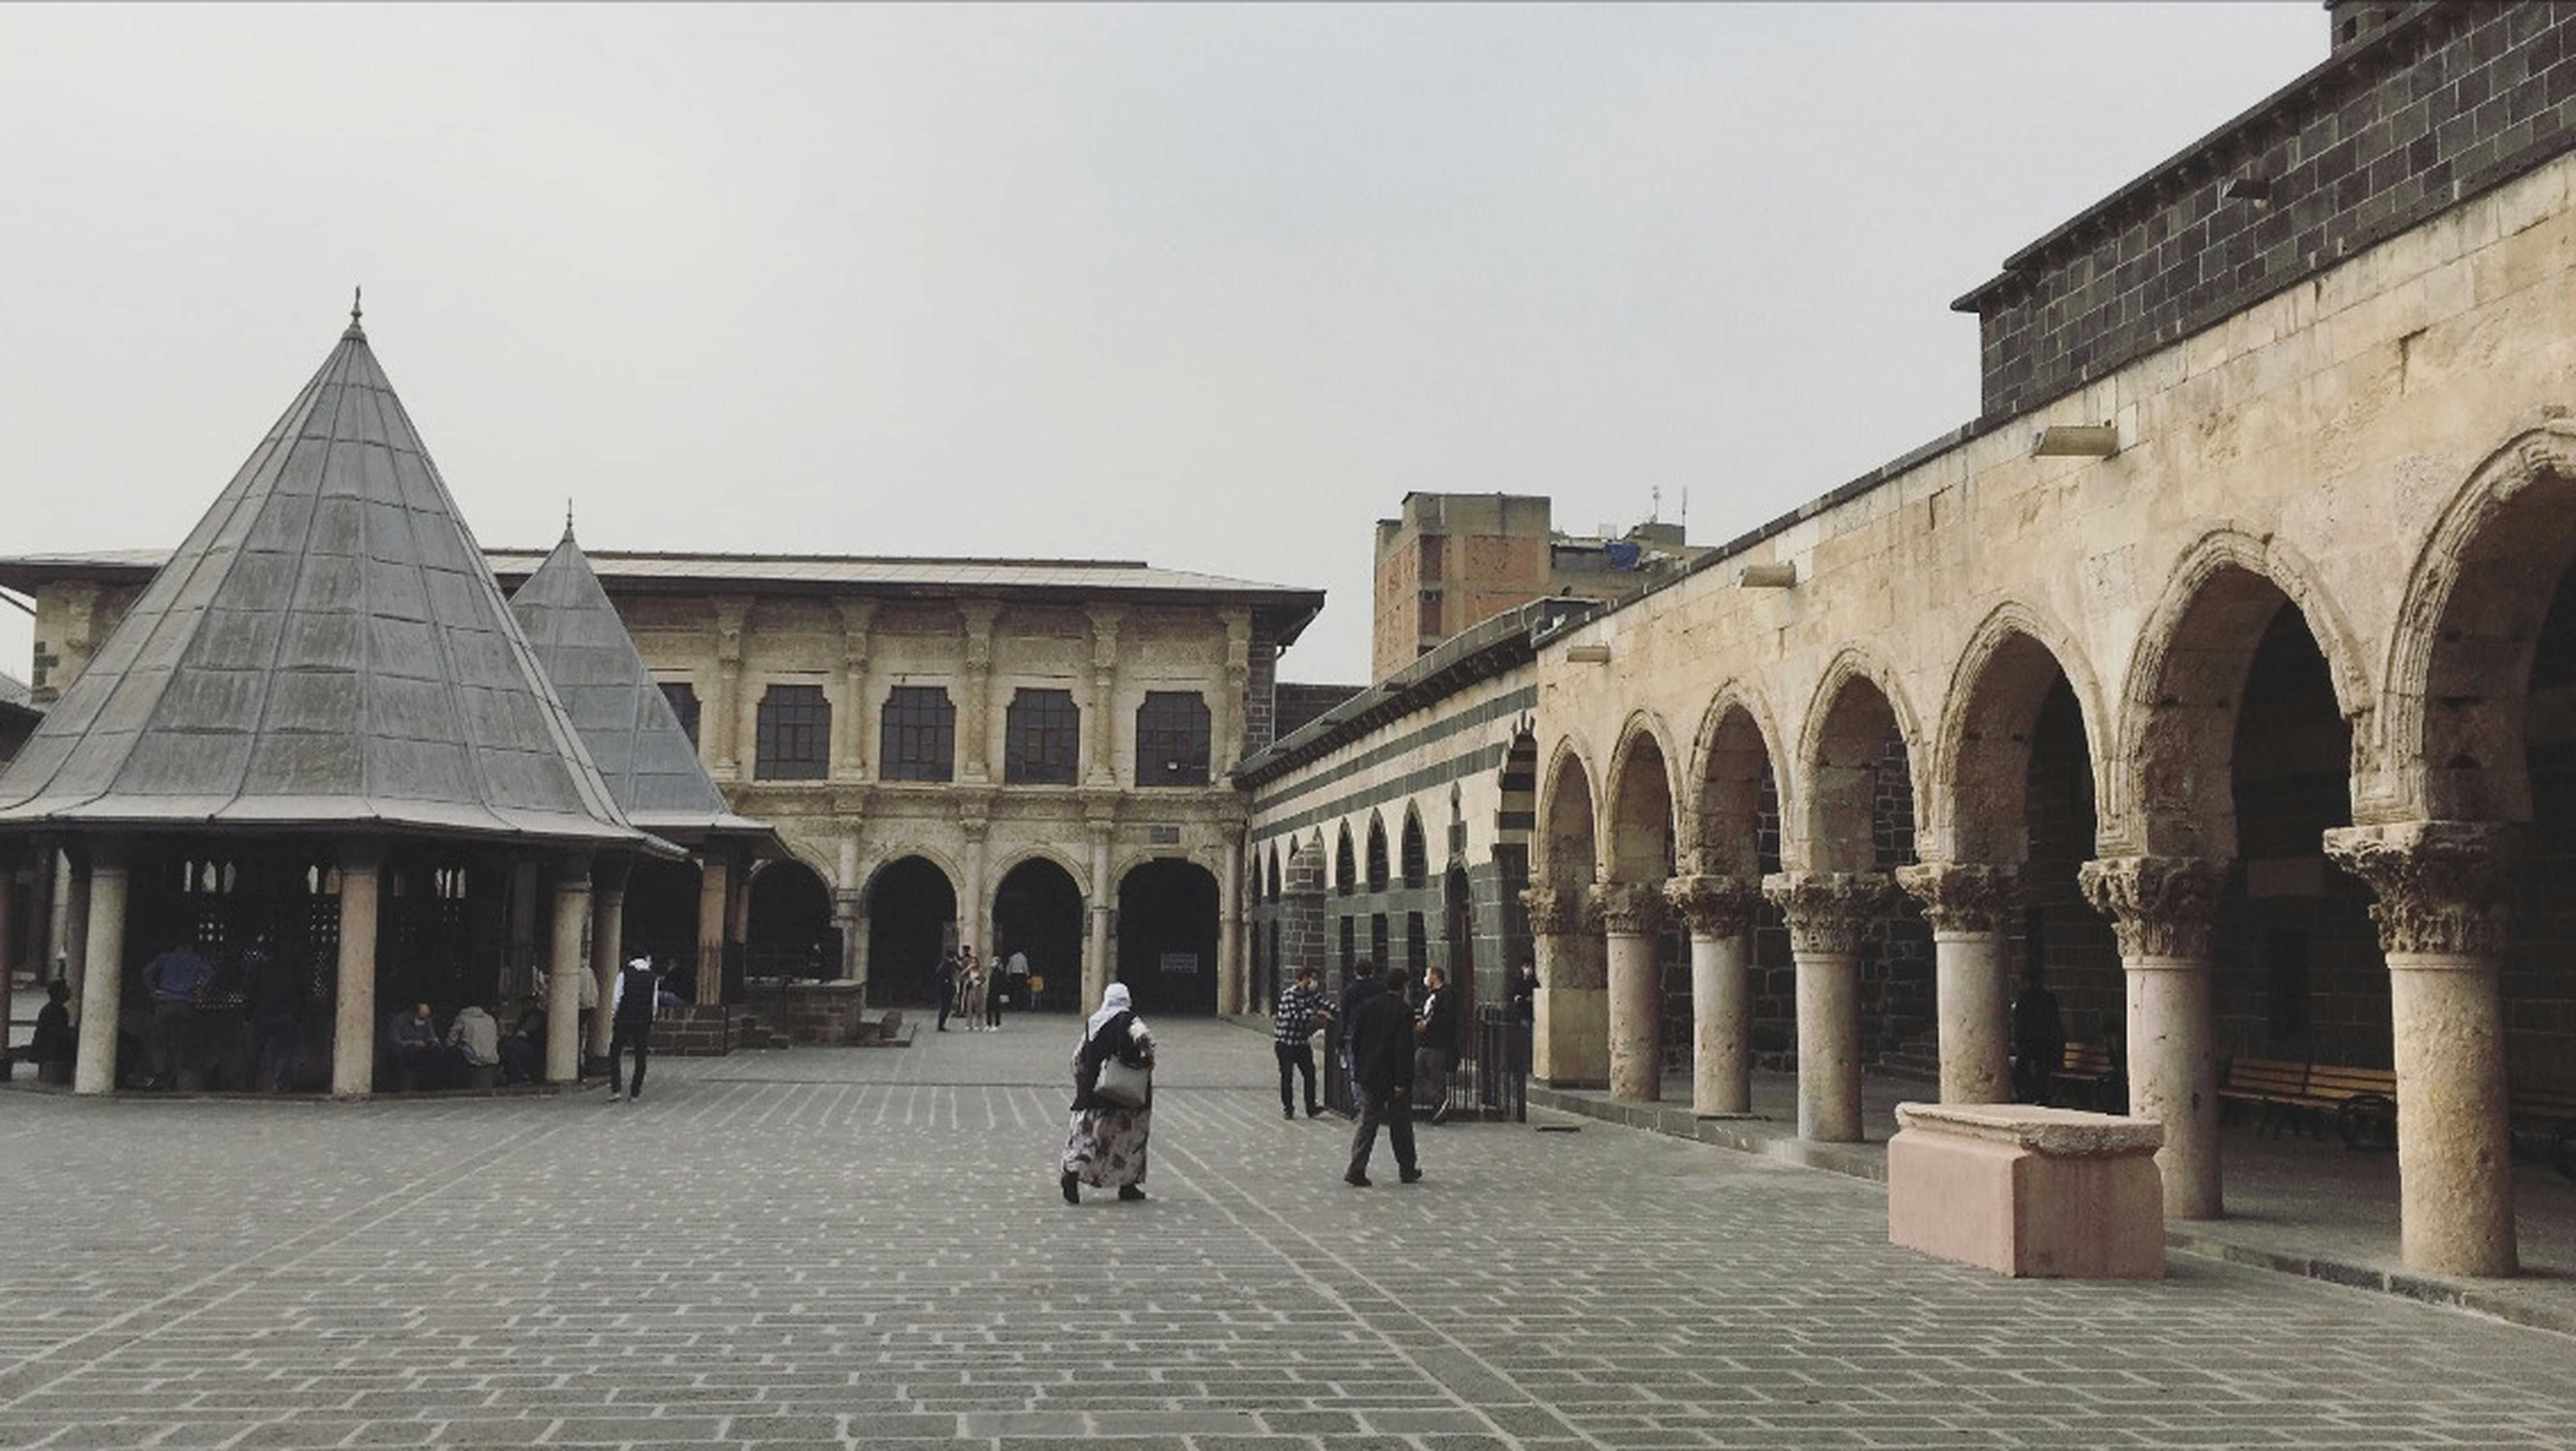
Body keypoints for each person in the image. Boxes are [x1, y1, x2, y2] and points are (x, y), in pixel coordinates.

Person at [1060, 982, 1156, 1204]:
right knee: (1129, 1139)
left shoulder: (1094, 1022)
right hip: (1125, 1093)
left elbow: (1077, 1058)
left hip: (1094, 1091)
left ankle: (1072, 1174)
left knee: (1087, 1138)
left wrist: (1082, 1085)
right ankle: (1128, 1184)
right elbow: (1145, 1038)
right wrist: (1147, 1060)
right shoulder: (1129, 1019)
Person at [1346, 963, 1421, 1187]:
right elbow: (1403, 1048)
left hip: (1371, 1074)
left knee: (1367, 1123)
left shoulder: (1367, 1008)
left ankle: (1356, 1167)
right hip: (1393, 1075)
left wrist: (1362, 1066)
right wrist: (1402, 1080)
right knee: (1401, 1126)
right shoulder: (1404, 1011)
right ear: (1404, 987)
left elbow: (1356, 1041)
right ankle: (1407, 1168)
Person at [140, 938, 214, 1089]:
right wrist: (200, 991)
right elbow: (211, 973)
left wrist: (152, 991)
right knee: (184, 1042)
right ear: (190, 947)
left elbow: (147, 972)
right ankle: (181, 1073)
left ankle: (162, 1072)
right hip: (186, 1004)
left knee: (157, 1041)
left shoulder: (166, 958)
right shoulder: (195, 960)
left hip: (165, 1002)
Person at [1273, 965, 1328, 1119]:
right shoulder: (1289, 995)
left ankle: (1311, 1107)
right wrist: (1317, 1014)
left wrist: (1337, 1012)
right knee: (1287, 1076)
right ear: (1302, 979)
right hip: (1286, 1042)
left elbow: (1324, 1003)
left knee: (1310, 1074)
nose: (1313, 982)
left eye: (1315, 979)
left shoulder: (1312, 994)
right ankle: (1288, 1108)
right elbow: (1296, 1015)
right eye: (1310, 979)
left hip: (1302, 1043)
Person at [2010, 963, 2065, 1105]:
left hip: (2030, 1041)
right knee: (2040, 1070)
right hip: (2044, 1042)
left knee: (2025, 1070)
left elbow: (2020, 1021)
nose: (2020, 984)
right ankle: (2040, 1096)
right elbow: (2055, 1023)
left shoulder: (2024, 999)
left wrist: (2018, 1039)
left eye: (2022, 981)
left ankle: (2029, 1095)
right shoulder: (2049, 998)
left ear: (2028, 982)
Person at [1334, 958, 1385, 1112]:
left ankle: (1361, 1104)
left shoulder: (1350, 991)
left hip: (1354, 1034)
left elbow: (1344, 1015)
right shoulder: (1380, 989)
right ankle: (1377, 1101)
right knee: (1377, 1067)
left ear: (1356, 972)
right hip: (1377, 1033)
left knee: (1355, 1070)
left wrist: (1339, 1039)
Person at [607, 954, 659, 1103]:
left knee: (615, 1052)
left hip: (625, 1017)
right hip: (643, 1020)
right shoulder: (652, 977)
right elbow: (654, 1002)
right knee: (640, 1056)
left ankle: (616, 1089)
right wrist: (652, 1018)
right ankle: (635, 1093)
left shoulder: (624, 974)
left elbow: (617, 997)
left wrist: (615, 1014)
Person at [1414, 964, 1461, 1125]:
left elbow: (1447, 1018)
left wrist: (1429, 1025)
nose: (1426, 978)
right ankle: (1438, 1101)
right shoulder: (1431, 995)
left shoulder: (1447, 995)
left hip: (1439, 1043)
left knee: (1437, 1077)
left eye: (1428, 975)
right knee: (1417, 1072)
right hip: (1426, 1042)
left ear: (1435, 976)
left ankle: (1439, 1110)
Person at [386, 1002, 444, 1092]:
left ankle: (432, 1087)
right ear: (414, 1014)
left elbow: (432, 1035)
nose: (424, 1020)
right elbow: (394, 1039)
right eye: (421, 1018)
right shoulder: (400, 1020)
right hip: (404, 1053)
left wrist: (432, 1041)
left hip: (422, 1052)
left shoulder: (427, 1021)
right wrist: (412, 1043)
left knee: (436, 1052)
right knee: (397, 1052)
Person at [28, 979, 75, 1079]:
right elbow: (54, 1032)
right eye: (66, 991)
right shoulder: (55, 1010)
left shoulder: (55, 1009)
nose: (69, 993)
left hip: (48, 1045)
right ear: (60, 994)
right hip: (49, 1047)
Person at [447, 1001, 502, 1087]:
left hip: (473, 1059)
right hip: (492, 1058)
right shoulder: (490, 1019)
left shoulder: (463, 1019)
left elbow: (451, 1041)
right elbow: (497, 1038)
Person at [499, 993, 547, 1086]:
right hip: (529, 1047)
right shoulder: (524, 1016)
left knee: (511, 1046)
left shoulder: (536, 1016)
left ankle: (521, 1076)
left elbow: (523, 1033)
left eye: (528, 1004)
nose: (525, 1006)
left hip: (535, 1049)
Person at [1509, 958, 1538, 1074]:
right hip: (1521, 1014)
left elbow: (1531, 998)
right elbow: (1514, 997)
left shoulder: (1534, 983)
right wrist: (1522, 999)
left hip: (1529, 1014)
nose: (1529, 970)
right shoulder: (1518, 982)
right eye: (1527, 967)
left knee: (1529, 1040)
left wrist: (1523, 999)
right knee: (1521, 1042)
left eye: (1530, 967)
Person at [958, 953, 987, 1032]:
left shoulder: (980, 970)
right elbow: (961, 975)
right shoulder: (969, 971)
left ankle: (979, 1025)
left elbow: (984, 979)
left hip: (978, 989)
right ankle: (969, 1025)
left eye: (974, 962)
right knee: (970, 1007)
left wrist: (979, 982)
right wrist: (968, 969)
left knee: (979, 1008)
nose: (973, 964)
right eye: (972, 962)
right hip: (971, 989)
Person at [934, 950, 959, 1032]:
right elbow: (941, 976)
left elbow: (959, 968)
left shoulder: (949, 964)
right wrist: (947, 982)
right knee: (945, 1008)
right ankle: (941, 1025)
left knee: (946, 1008)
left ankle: (942, 1025)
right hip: (946, 990)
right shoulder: (946, 964)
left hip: (948, 989)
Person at [984, 952, 1006, 1030]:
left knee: (996, 1009)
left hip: (997, 993)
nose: (992, 963)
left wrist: (1002, 993)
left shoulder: (1000, 972)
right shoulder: (993, 971)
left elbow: (1003, 984)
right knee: (989, 1008)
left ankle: (996, 1024)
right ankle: (989, 1023)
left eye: (994, 962)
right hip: (991, 991)